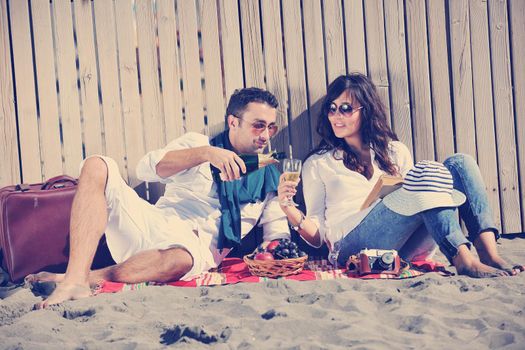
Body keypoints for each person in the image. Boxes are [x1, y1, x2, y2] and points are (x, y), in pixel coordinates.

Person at [28, 87, 290, 307]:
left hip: (193, 251)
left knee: (180, 259)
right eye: (258, 126)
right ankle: (74, 280)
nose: (265, 136)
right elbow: (146, 169)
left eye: (271, 127)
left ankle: (89, 276)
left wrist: (288, 218)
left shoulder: (270, 178)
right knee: (98, 164)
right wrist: (206, 154)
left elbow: (276, 236)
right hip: (154, 223)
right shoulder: (198, 144)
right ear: (233, 122)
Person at [278, 73, 521, 278]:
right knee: (424, 180)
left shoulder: (394, 150)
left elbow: (424, 200)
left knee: (460, 163)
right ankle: (463, 260)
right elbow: (318, 237)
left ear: (366, 111)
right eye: (332, 109)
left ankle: (489, 254)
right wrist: (289, 209)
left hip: (404, 245)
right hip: (350, 246)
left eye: (345, 109)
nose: (336, 116)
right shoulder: (319, 163)